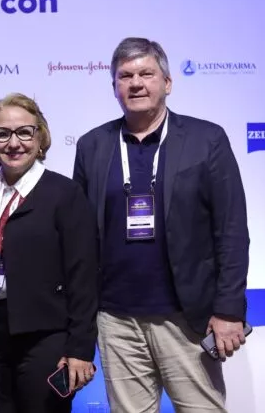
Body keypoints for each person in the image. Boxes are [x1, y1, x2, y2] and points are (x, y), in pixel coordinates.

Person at [73, 37, 250, 412]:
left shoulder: (207, 139)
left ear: (167, 83)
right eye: (125, 76)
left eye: (146, 74)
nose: (136, 83)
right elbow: (82, 238)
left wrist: (229, 310)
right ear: (114, 87)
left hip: (187, 319)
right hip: (116, 320)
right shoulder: (92, 145)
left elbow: (232, 231)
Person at [0, 93, 99, 413]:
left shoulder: (64, 194)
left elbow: (83, 276)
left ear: (40, 137)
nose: (13, 143)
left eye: (24, 132)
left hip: (46, 338)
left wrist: (80, 348)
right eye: (2, 134)